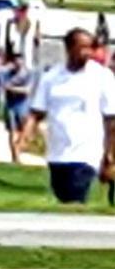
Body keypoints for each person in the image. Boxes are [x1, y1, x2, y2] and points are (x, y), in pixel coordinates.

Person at [15, 28, 115, 205]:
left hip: (87, 152)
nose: (87, 52)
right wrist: (24, 138)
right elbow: (37, 112)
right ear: (68, 48)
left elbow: (111, 119)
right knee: (63, 198)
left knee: (74, 198)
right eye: (82, 47)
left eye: (90, 48)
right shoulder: (51, 77)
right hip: (57, 152)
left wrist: (109, 155)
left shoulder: (102, 77)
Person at [0, 52, 32, 156]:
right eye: (15, 61)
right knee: (12, 130)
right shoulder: (8, 73)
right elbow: (3, 85)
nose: (18, 63)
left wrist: (12, 88)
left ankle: (18, 147)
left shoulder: (27, 74)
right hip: (10, 104)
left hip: (23, 104)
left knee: (23, 130)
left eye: (20, 60)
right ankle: (14, 154)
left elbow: (27, 90)